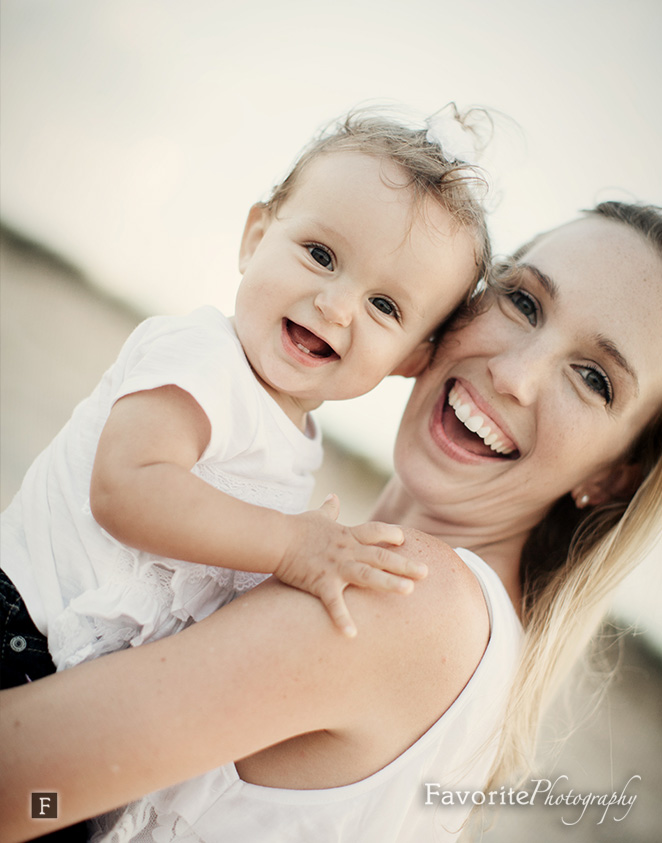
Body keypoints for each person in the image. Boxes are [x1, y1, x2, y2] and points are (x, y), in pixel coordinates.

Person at [1, 201, 660, 843]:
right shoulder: (469, 638)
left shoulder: (406, 593)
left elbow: (15, 788)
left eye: (594, 379)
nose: (514, 375)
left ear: (613, 474)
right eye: (522, 301)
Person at [0, 107, 491, 696]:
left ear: (411, 359)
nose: (335, 305)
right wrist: (293, 545)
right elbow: (125, 488)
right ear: (255, 239)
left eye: (385, 307)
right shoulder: (203, 356)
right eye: (321, 255)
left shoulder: (297, 447)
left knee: (38, 795)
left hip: (66, 668)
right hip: (21, 621)